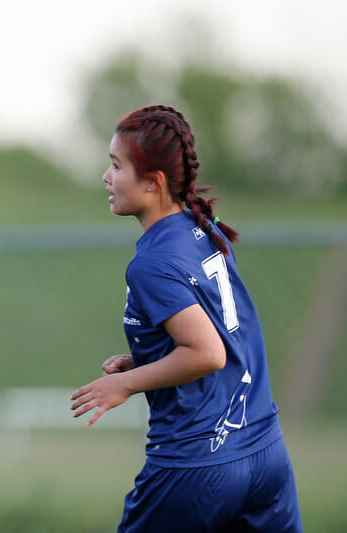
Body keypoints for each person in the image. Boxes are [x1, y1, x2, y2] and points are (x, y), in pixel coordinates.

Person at [70, 105, 301, 532]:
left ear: (154, 182)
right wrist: (146, 360)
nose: (106, 176)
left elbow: (208, 352)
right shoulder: (203, 231)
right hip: (264, 455)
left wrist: (124, 383)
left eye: (117, 165)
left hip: (197, 466)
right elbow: (222, 340)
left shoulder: (152, 262)